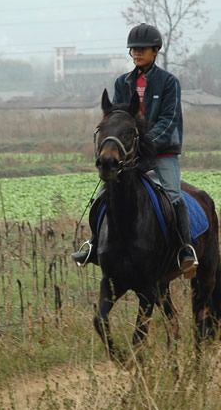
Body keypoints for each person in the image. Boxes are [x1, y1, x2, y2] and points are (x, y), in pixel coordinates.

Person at [71, 23, 198, 276]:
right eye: (133, 50)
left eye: (142, 49)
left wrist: (144, 144)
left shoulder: (169, 83)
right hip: (128, 154)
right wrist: (125, 147)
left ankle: (185, 249)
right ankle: (94, 245)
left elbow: (168, 119)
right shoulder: (123, 82)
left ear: (155, 51)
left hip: (162, 152)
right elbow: (118, 117)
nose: (137, 54)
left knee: (173, 196)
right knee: (102, 198)